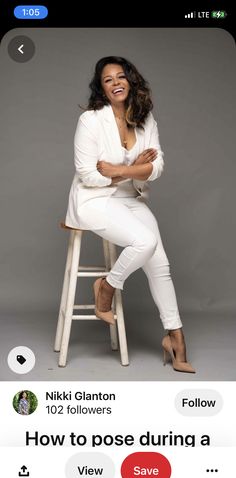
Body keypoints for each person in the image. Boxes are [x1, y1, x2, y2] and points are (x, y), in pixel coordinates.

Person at [65, 56, 195, 373]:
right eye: (108, 79)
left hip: (130, 198)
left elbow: (157, 168)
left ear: (131, 80)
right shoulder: (92, 121)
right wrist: (135, 169)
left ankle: (175, 337)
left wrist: (121, 170)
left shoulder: (145, 119)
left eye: (121, 76)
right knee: (145, 241)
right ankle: (106, 288)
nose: (116, 83)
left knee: (159, 262)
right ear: (102, 88)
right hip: (94, 200)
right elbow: (87, 174)